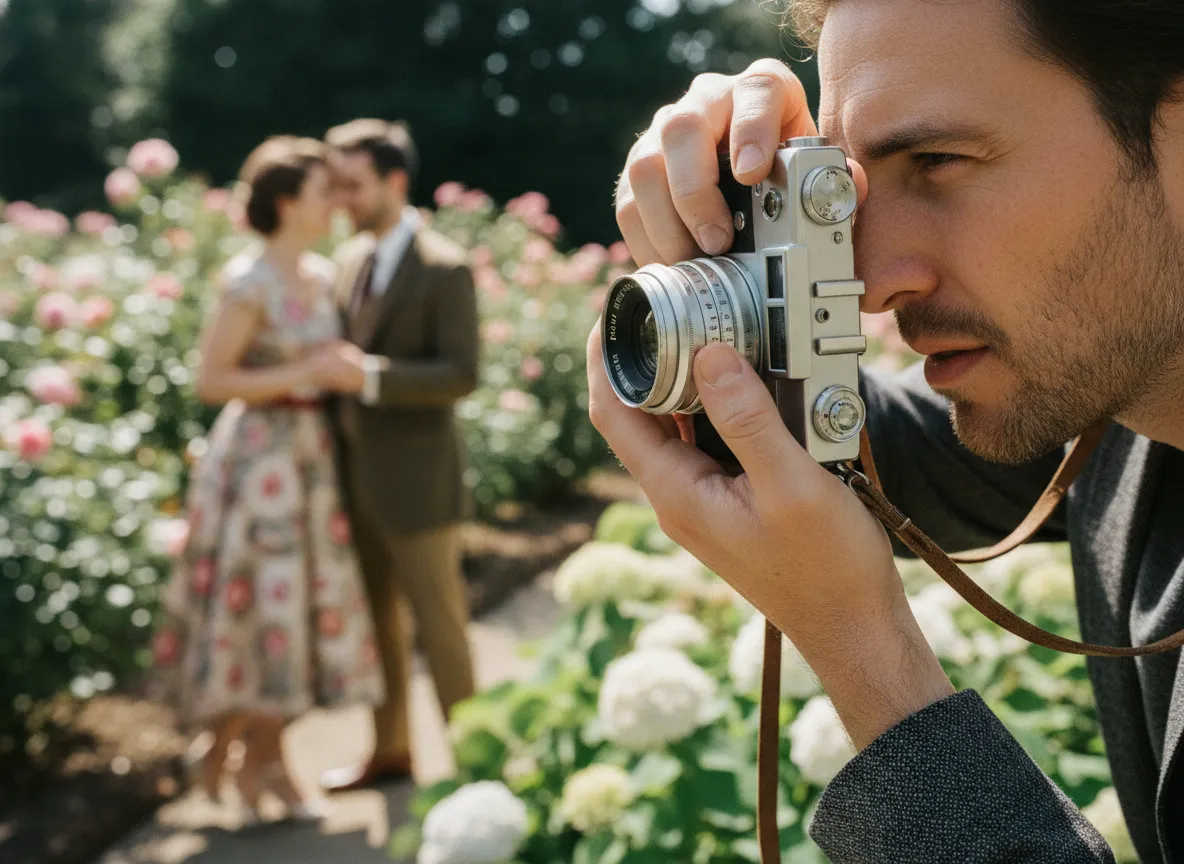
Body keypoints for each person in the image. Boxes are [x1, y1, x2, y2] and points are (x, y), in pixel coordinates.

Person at [593, 1, 1184, 861]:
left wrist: (863, 651)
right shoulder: (1129, 410)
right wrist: (725, 256)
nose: (869, 282)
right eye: (845, 186)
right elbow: (881, 444)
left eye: (938, 161)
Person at [153, 136, 385, 822]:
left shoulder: (318, 274)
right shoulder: (248, 280)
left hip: (308, 460)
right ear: (287, 202)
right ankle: (260, 766)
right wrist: (305, 372)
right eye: (323, 192)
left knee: (291, 615)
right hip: (258, 466)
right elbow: (211, 379)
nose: (337, 203)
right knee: (257, 610)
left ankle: (244, 756)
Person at [314, 119, 479, 793]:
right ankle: (391, 752)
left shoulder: (445, 266)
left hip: (418, 485)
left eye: (352, 185)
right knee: (377, 625)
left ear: (394, 182)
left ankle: (478, 770)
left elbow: (461, 374)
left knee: (441, 630)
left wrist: (370, 375)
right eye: (336, 185)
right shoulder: (348, 262)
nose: (341, 199)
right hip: (354, 480)